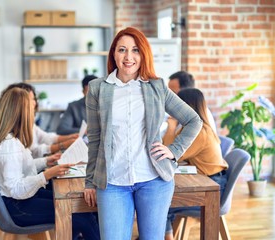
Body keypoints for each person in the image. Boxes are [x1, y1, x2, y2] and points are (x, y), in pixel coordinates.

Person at [83, 27, 202, 240]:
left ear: (143, 54)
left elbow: (194, 120)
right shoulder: (97, 89)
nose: (128, 57)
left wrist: (174, 151)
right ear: (113, 54)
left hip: (153, 180)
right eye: (122, 50)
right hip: (112, 183)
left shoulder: (156, 87)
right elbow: (95, 139)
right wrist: (90, 181)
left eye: (135, 50)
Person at [0, 87, 100, 239]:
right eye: (30, 107)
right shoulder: (9, 146)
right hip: (19, 206)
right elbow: (16, 189)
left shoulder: (7, 138)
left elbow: (19, 167)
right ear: (21, 112)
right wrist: (46, 175)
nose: (33, 112)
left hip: (20, 200)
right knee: (81, 215)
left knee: (81, 205)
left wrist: (46, 161)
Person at [163, 88, 229, 240]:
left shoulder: (199, 131)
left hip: (212, 186)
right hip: (204, 178)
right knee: (161, 199)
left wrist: (171, 126)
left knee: (162, 204)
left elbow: (171, 155)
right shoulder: (190, 127)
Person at [0, 83, 78, 158]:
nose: (34, 103)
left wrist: (69, 137)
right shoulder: (15, 130)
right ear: (17, 103)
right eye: (30, 99)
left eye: (34, 99)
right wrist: (62, 145)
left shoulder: (28, 122)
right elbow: (33, 152)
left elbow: (44, 137)